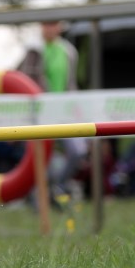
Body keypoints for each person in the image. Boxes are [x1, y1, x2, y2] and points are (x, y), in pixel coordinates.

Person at [18, 21, 88, 198]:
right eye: (46, 24)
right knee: (40, 158)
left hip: (64, 110)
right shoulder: (33, 50)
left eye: (53, 24)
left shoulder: (69, 51)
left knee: (78, 151)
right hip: (41, 112)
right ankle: (39, 200)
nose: (49, 28)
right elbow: (25, 82)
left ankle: (59, 185)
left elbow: (71, 83)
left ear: (59, 27)